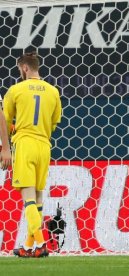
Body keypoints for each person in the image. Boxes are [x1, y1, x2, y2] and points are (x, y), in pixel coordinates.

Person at [4, 51, 62, 258]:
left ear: (25, 68)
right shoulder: (53, 91)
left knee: (27, 197)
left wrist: (5, 145)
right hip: (44, 146)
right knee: (37, 198)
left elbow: (5, 119)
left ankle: (41, 243)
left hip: (25, 143)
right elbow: (55, 121)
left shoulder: (16, 89)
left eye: (20, 69)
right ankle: (29, 247)